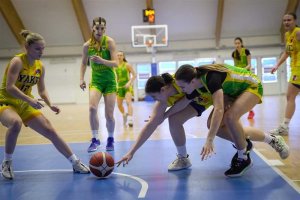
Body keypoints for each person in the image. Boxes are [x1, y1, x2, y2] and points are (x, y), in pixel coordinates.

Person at [116, 71, 289, 175]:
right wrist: (132, 152)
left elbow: (185, 100)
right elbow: (152, 124)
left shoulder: (182, 81)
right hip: (199, 98)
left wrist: (209, 138)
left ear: (163, 89)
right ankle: (183, 159)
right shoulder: (164, 99)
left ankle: (268, 140)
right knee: (177, 121)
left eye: (154, 97)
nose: (154, 101)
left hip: (214, 93)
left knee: (224, 122)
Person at [0, 30, 90, 180]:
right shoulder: (17, 61)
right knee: (15, 123)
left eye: (43, 48)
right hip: (5, 101)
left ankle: (75, 162)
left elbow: (41, 90)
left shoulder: (40, 66)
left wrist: (50, 104)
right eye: (37, 48)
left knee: (50, 130)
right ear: (27, 47)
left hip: (24, 103)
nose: (41, 52)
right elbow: (9, 87)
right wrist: (30, 100)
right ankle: (7, 163)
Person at [174, 64, 289, 177]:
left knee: (230, 117)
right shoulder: (198, 85)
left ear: (192, 81)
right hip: (233, 92)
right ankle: (270, 140)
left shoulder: (211, 79)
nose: (181, 90)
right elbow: (183, 102)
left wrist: (209, 140)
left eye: (182, 87)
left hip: (252, 86)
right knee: (214, 126)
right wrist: (164, 116)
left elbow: (219, 109)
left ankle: (243, 157)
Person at [79, 17, 118, 152]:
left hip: (110, 82)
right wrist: (81, 79)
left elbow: (116, 63)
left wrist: (102, 60)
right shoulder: (87, 46)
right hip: (96, 81)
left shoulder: (109, 42)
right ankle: (95, 139)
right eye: (97, 28)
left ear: (105, 29)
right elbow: (84, 63)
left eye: (102, 28)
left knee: (109, 115)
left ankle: (111, 139)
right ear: (93, 28)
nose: (99, 30)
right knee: (92, 108)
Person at [270, 12, 300, 136]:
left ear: (295, 20)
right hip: (294, 68)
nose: (287, 22)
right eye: (284, 20)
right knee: (290, 96)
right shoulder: (287, 35)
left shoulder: (298, 32)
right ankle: (285, 126)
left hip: (299, 68)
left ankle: (285, 127)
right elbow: (287, 53)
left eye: (289, 20)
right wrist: (277, 64)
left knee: (290, 96)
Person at [232, 37, 254, 119]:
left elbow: (249, 65)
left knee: (247, 94)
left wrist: (243, 70)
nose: (237, 45)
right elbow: (235, 65)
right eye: (235, 43)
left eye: (238, 43)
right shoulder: (233, 54)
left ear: (241, 43)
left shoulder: (246, 51)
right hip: (239, 75)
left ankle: (251, 111)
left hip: (246, 74)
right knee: (238, 94)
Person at [115, 51, 136, 127]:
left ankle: (130, 119)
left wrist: (129, 82)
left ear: (123, 56)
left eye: (121, 55)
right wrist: (115, 86)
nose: (119, 56)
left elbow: (134, 75)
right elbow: (116, 78)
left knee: (128, 102)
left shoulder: (127, 65)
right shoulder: (115, 66)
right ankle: (124, 114)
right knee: (119, 105)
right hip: (119, 87)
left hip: (127, 86)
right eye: (118, 55)